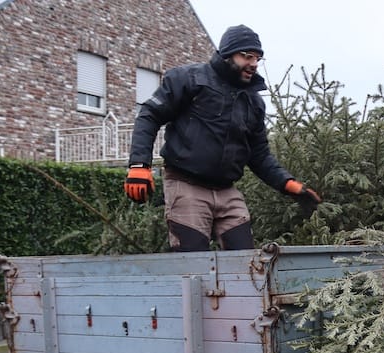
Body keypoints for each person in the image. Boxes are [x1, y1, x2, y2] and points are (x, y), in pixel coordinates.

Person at [124, 24, 321, 251]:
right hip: (186, 185)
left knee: (245, 263)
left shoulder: (253, 102)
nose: (254, 64)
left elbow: (259, 154)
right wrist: (140, 165)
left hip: (227, 191)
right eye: (247, 56)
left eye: (258, 58)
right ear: (227, 55)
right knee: (193, 265)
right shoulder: (189, 79)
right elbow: (149, 115)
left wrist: (287, 184)